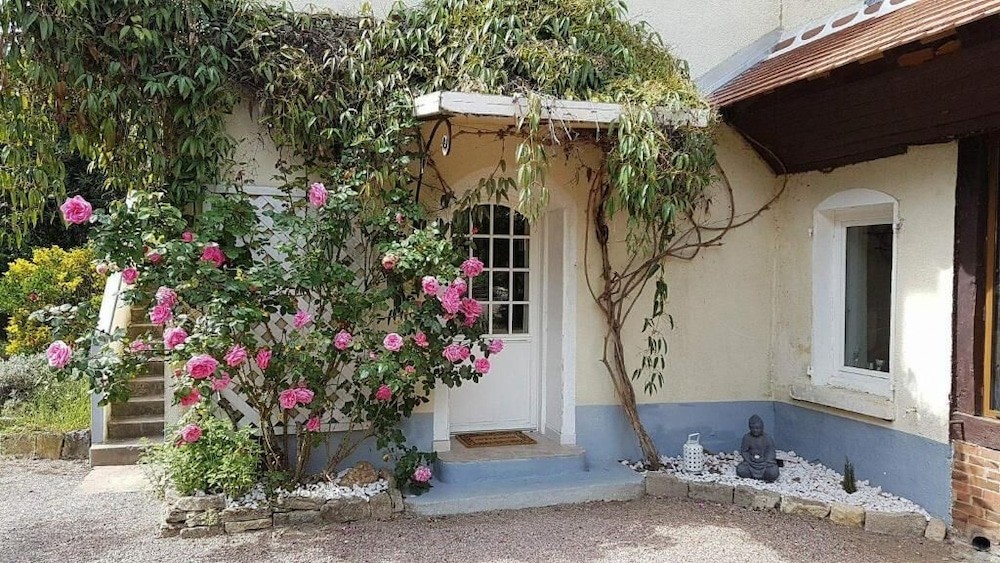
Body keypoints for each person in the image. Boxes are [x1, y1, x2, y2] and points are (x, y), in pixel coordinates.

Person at [736, 414, 779, 482]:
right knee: (741, 469)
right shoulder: (747, 437)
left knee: (773, 472)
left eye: (758, 428)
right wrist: (749, 459)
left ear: (762, 427)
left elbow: (771, 451)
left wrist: (766, 460)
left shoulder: (767, 438)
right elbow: (744, 451)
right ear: (750, 428)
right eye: (753, 428)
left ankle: (765, 476)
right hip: (751, 463)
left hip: (765, 462)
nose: (755, 430)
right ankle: (756, 475)